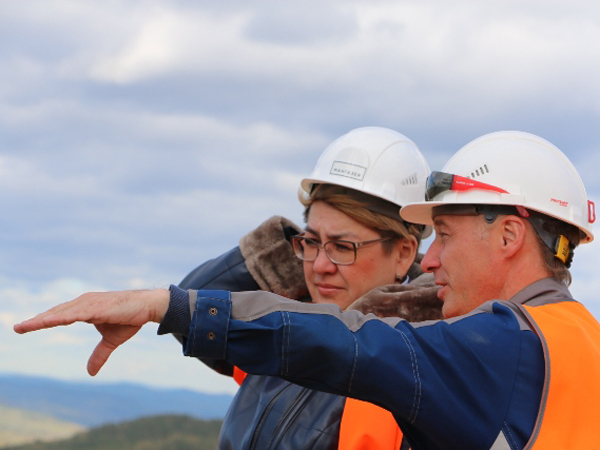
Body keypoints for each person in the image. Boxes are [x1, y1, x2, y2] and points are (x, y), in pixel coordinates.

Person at [14, 131, 600, 449]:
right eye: (310, 242)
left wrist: (167, 305)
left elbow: (350, 344)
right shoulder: (575, 341)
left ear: (510, 235)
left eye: (443, 235)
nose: (433, 257)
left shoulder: (483, 348)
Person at [172, 126, 443, 449]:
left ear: (403, 253)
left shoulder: (415, 371)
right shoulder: (287, 326)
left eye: (343, 247)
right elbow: (193, 313)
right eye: (311, 241)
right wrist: (282, 263)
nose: (319, 266)